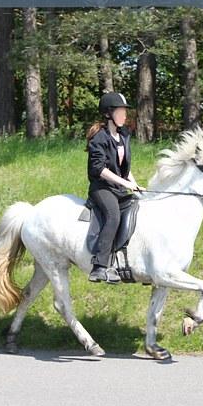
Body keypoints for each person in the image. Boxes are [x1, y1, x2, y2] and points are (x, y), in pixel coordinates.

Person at [86, 92, 145, 283]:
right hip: (101, 188)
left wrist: (134, 184)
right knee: (113, 215)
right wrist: (125, 183)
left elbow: (123, 168)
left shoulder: (123, 136)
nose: (125, 115)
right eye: (121, 111)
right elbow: (99, 169)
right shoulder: (99, 138)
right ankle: (100, 266)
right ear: (108, 113)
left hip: (118, 187)